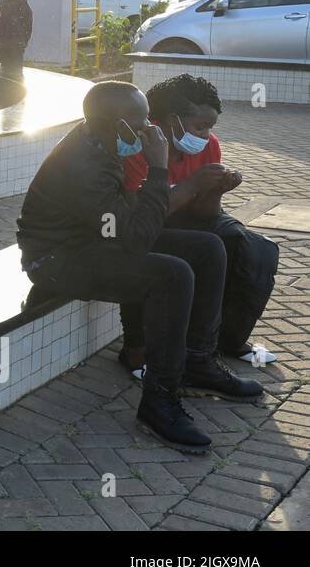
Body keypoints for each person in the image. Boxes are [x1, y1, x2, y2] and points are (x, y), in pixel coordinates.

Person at [16, 81, 263, 454]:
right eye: (142, 121)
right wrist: (160, 169)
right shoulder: (83, 166)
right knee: (172, 274)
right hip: (55, 259)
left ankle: (198, 361)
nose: (152, 129)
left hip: (95, 238)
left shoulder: (102, 138)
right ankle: (158, 401)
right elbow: (131, 238)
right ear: (118, 126)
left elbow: (125, 226)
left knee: (209, 247)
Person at [117, 74, 279, 370]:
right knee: (205, 249)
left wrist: (216, 189)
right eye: (199, 127)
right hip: (145, 226)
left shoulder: (208, 146)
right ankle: (151, 349)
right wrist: (191, 186)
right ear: (171, 120)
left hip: (190, 216)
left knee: (254, 249)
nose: (205, 135)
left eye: (210, 127)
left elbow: (207, 213)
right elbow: (142, 219)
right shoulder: (140, 148)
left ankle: (228, 338)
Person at [0, 0, 32, 83]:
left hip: (16, 43)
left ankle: (18, 96)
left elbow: (28, 22)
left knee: (16, 74)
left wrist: (23, 41)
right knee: (4, 72)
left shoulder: (20, 0)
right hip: (4, 41)